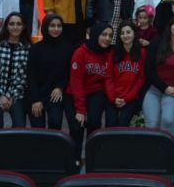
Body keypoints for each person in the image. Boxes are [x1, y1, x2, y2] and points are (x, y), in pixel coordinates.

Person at [64, 22, 114, 160]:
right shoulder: (80, 52)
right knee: (77, 127)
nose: (107, 38)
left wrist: (113, 98)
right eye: (104, 34)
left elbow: (108, 78)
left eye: (110, 36)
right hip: (74, 93)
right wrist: (80, 110)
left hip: (96, 92)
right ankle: (74, 160)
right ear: (95, 34)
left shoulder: (109, 53)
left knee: (94, 123)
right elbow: (76, 82)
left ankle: (93, 159)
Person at [143, 14, 174, 137]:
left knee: (168, 121)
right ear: (170, 26)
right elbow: (149, 70)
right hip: (154, 90)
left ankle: (168, 149)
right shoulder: (157, 43)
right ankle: (152, 149)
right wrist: (164, 88)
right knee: (152, 124)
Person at [0, 12, 30, 129]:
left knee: (20, 125)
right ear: (7, 26)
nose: (15, 27)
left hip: (17, 94)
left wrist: (9, 96)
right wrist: (1, 96)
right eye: (12, 24)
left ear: (23, 27)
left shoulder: (28, 49)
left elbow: (24, 78)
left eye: (18, 24)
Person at [28, 13, 72, 129]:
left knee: (55, 123)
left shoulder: (67, 48)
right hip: (37, 93)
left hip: (55, 94)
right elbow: (31, 76)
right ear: (45, 27)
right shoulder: (35, 48)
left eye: (59, 26)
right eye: (52, 25)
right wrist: (35, 99)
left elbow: (68, 72)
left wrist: (60, 87)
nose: (56, 29)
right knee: (38, 129)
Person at [106, 21, 147, 127]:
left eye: (128, 32)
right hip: (113, 96)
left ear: (134, 33)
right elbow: (108, 78)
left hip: (131, 97)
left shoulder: (142, 53)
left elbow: (141, 79)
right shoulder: (113, 53)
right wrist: (113, 98)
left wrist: (127, 98)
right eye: (122, 33)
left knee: (123, 123)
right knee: (110, 124)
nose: (125, 36)